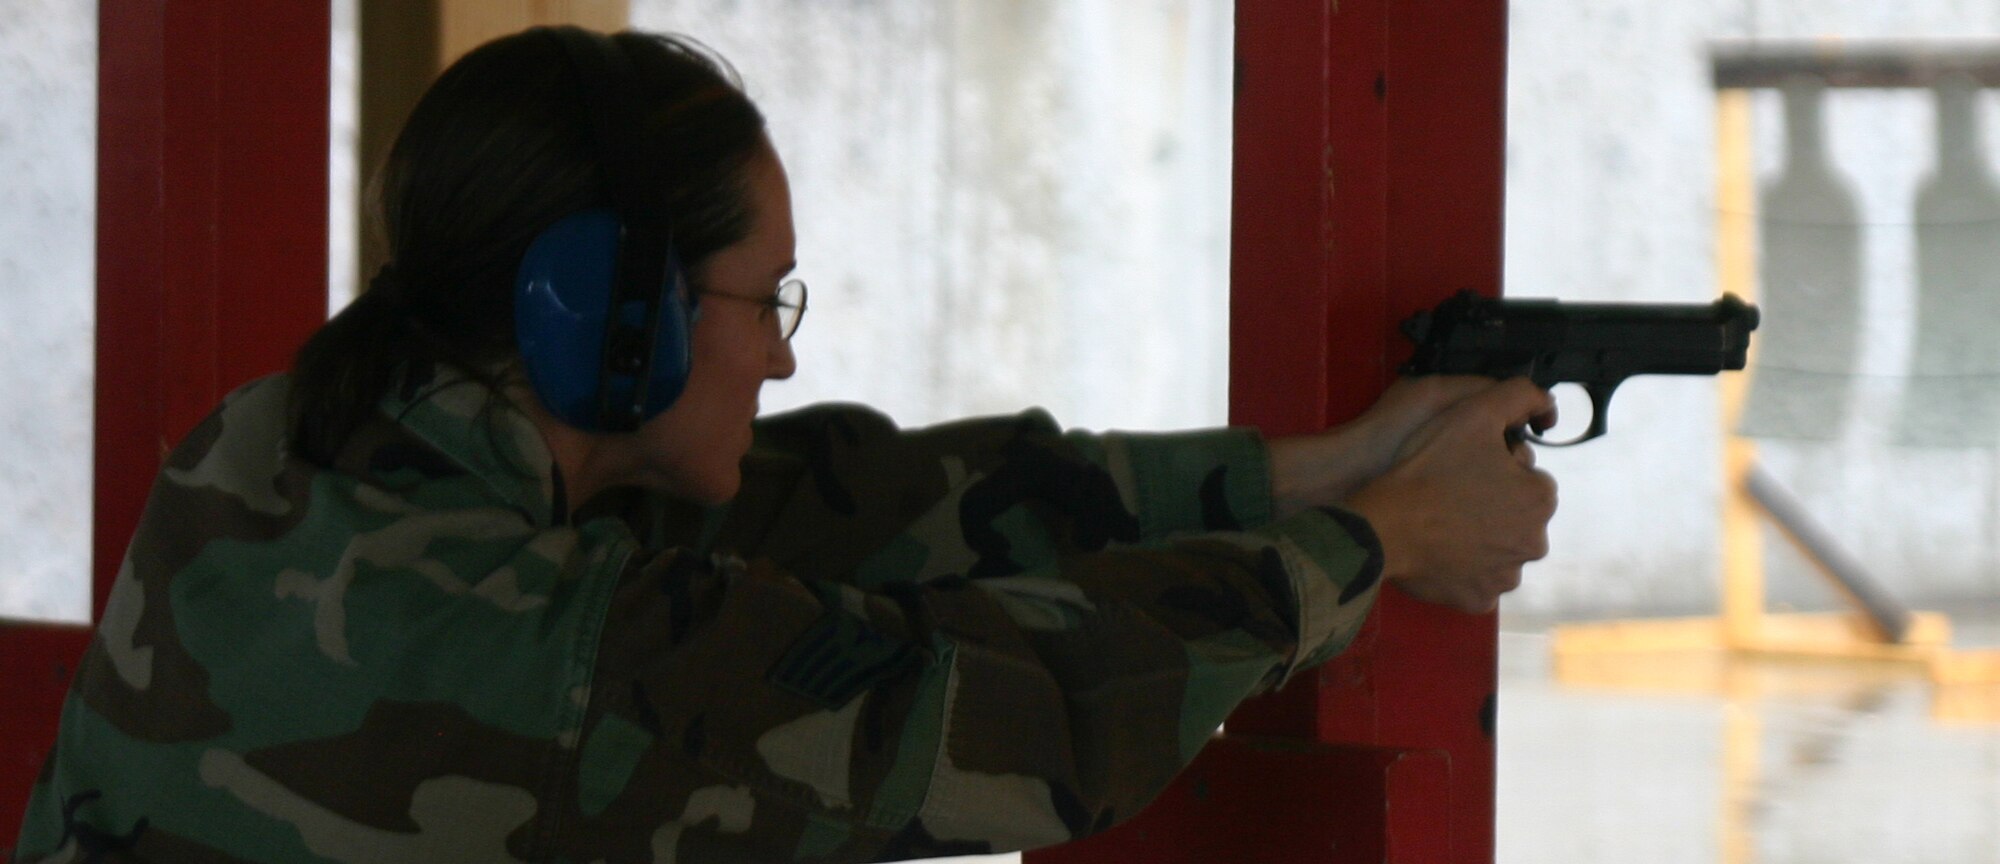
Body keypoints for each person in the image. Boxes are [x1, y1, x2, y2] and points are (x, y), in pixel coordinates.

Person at [14, 26, 1556, 864]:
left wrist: (1312, 467)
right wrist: (1385, 544)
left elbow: (836, 507)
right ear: (619, 322)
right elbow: (1030, 720)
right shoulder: (535, 654)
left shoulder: (291, 439)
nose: (782, 351)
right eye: (762, 301)